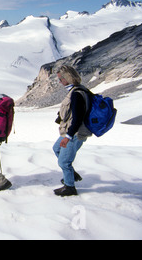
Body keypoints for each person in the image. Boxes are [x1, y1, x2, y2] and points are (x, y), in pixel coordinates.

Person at [53, 65, 92, 196]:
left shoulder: (76, 94)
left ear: (67, 78)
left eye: (60, 79)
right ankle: (71, 174)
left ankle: (69, 187)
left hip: (75, 133)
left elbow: (77, 118)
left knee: (64, 161)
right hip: (70, 131)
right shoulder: (77, 90)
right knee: (56, 148)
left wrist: (68, 136)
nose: (59, 82)